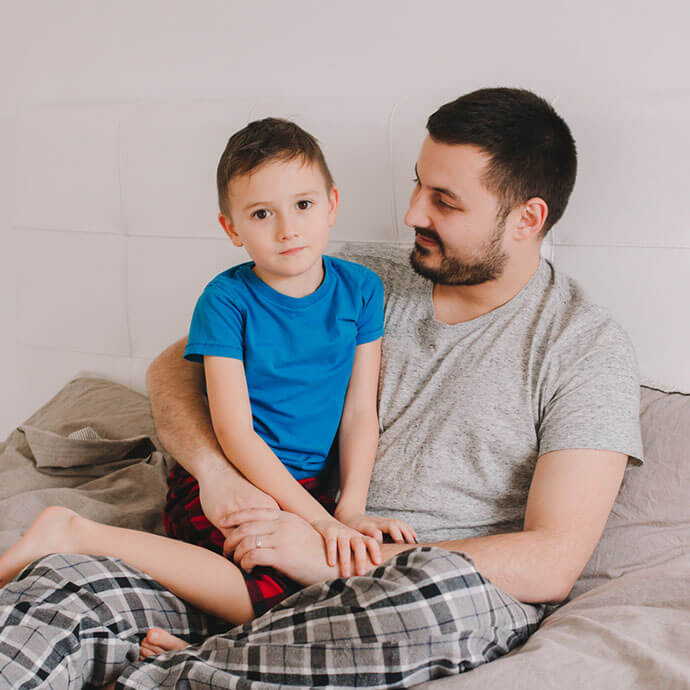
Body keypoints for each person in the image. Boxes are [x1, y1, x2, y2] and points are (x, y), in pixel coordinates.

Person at [0, 87, 643, 688]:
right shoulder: (358, 277)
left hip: (402, 597)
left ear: (527, 217)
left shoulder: (581, 347)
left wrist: (338, 559)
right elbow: (175, 368)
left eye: (444, 201)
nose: (412, 211)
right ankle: (220, 657)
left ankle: (193, 666)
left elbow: (554, 559)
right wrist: (215, 472)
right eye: (418, 184)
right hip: (266, 547)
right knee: (62, 586)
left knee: (443, 602)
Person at [0, 118, 417, 630]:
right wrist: (317, 520)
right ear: (232, 228)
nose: (287, 229)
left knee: (349, 579)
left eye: (303, 205)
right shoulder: (226, 301)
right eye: (262, 213)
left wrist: (348, 510)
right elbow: (234, 432)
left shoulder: (361, 290)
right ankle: (74, 534)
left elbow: (358, 411)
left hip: (313, 487)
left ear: (331, 204)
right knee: (266, 591)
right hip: (234, 478)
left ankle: (195, 638)